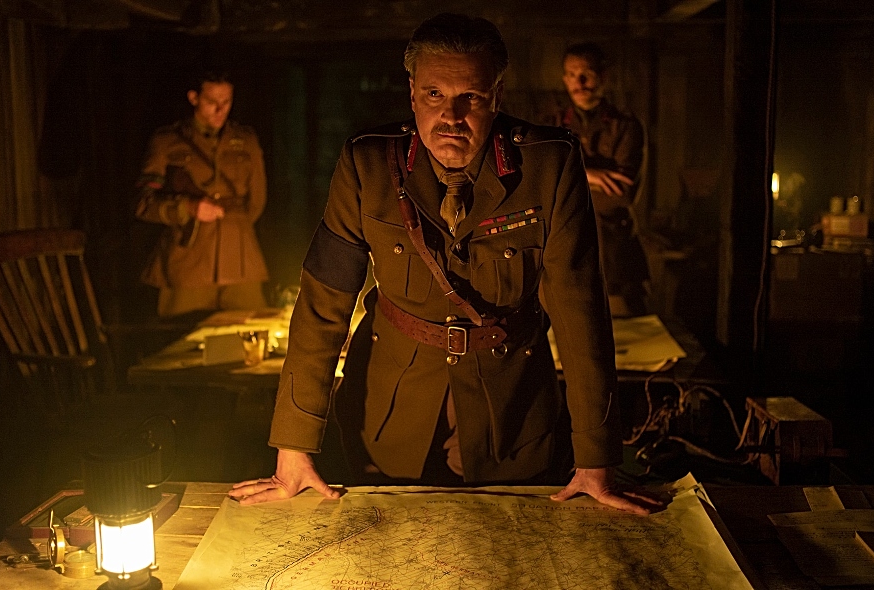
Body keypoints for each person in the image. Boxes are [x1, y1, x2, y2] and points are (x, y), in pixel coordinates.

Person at [230, 13, 660, 515]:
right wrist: (294, 447)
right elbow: (323, 303)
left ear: (496, 97)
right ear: (413, 93)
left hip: (513, 417)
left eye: (470, 98)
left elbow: (579, 312)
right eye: (434, 95)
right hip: (392, 416)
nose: (450, 116)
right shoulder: (367, 165)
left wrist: (596, 457)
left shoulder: (549, 165)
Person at [135, 69, 269, 318]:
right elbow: (143, 203)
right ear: (194, 98)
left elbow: (256, 201)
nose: (220, 110)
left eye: (226, 102)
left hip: (240, 261)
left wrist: (233, 228)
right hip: (188, 263)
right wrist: (188, 208)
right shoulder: (167, 141)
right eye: (211, 102)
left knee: (249, 336)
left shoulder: (246, 140)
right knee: (183, 345)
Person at [559, 43, 650, 317]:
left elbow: (621, 192)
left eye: (586, 73)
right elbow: (540, 184)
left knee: (627, 339)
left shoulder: (625, 126)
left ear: (603, 76)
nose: (580, 82)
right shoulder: (552, 125)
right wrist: (588, 173)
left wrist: (566, 176)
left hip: (614, 255)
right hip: (565, 252)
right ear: (565, 79)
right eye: (572, 74)